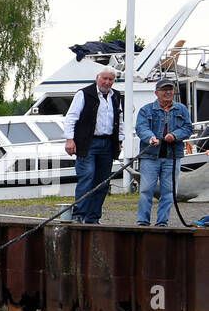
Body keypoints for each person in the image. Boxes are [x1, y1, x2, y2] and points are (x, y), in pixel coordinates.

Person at [64, 67, 124, 224]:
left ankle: (93, 217)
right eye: (104, 78)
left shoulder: (116, 96)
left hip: (108, 142)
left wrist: (119, 140)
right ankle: (79, 214)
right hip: (88, 142)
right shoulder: (83, 94)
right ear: (97, 78)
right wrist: (70, 139)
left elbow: (120, 120)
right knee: (87, 176)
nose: (107, 82)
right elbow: (71, 118)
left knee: (103, 181)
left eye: (110, 79)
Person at [134, 78, 193, 227]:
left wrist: (175, 135)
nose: (168, 92)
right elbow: (141, 128)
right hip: (150, 157)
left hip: (172, 157)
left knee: (169, 191)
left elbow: (188, 128)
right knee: (146, 190)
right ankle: (143, 221)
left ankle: (162, 222)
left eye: (170, 89)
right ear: (156, 93)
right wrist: (150, 138)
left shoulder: (181, 109)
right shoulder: (145, 110)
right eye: (164, 89)